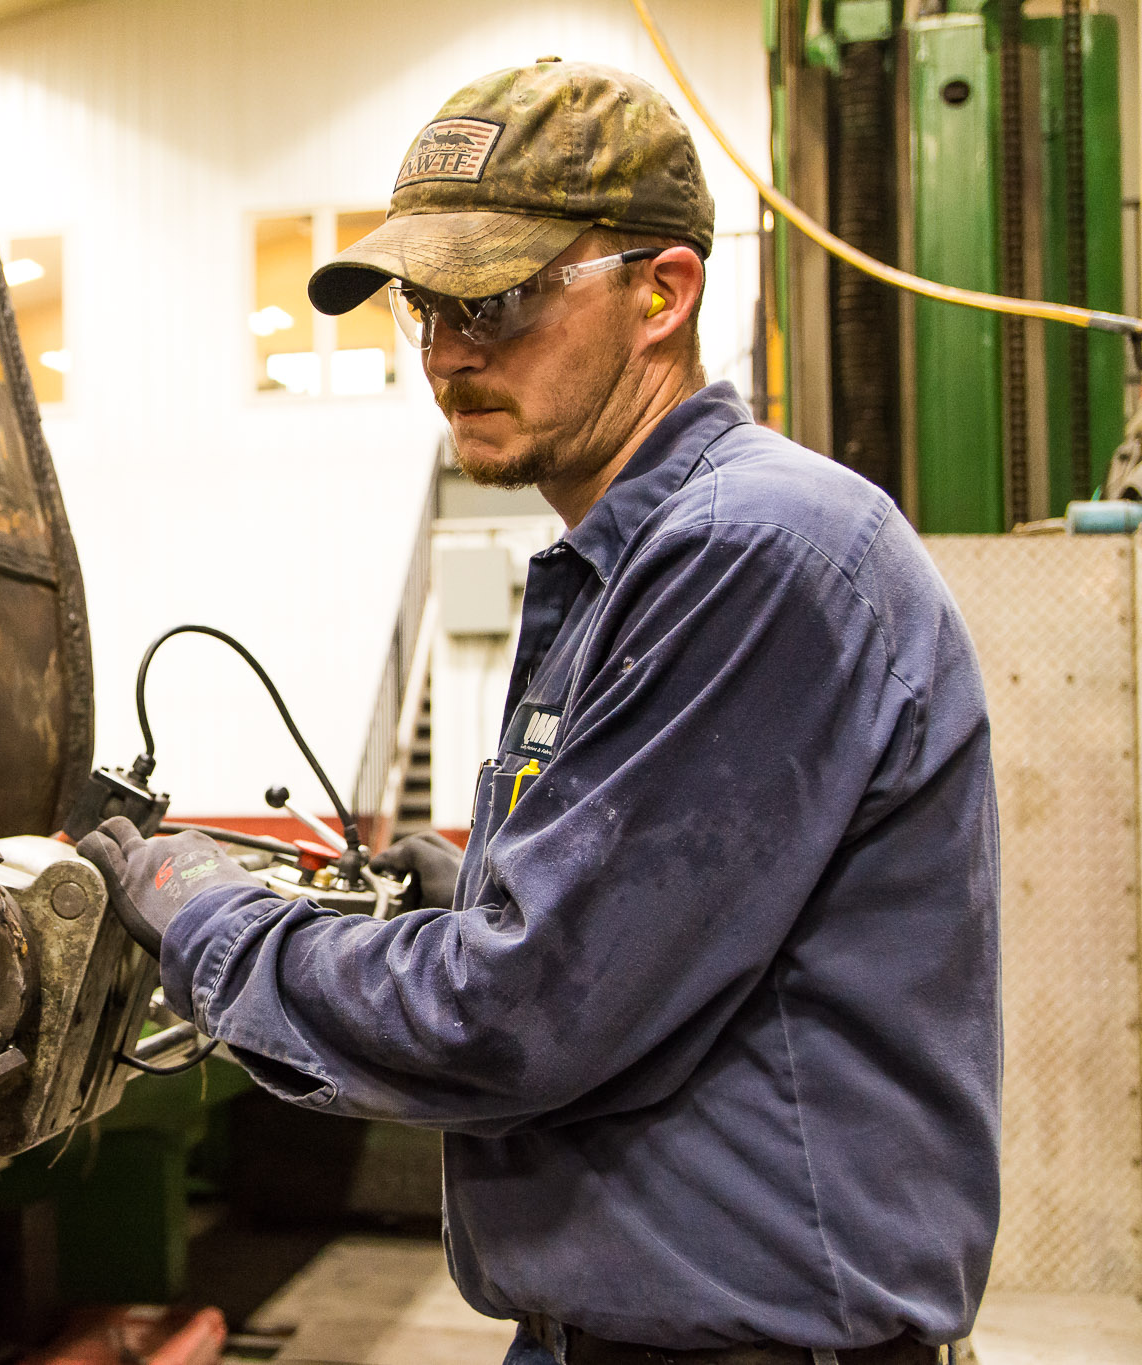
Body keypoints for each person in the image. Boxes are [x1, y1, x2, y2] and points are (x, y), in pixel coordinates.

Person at [79, 60, 999, 1365]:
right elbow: (650, 935)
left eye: (497, 300)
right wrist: (481, 889)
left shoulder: (753, 554)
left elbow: (513, 1019)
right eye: (425, 308)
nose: (448, 356)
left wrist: (214, 923)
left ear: (663, 292)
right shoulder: (629, 565)